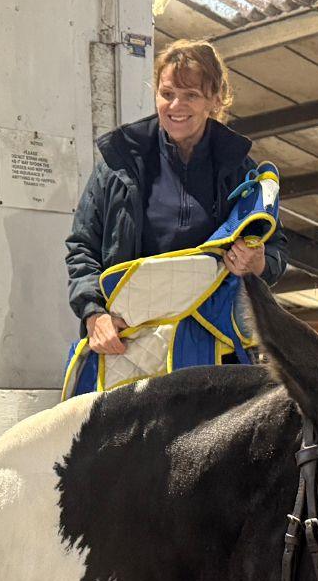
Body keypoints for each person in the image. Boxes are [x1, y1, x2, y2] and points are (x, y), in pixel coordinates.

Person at [66, 38, 288, 354]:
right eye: (167, 94)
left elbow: (276, 246)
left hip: (216, 345)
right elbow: (82, 246)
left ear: (215, 99)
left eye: (191, 96)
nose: (175, 106)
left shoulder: (242, 171)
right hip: (131, 339)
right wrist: (94, 312)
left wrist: (260, 262)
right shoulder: (118, 165)